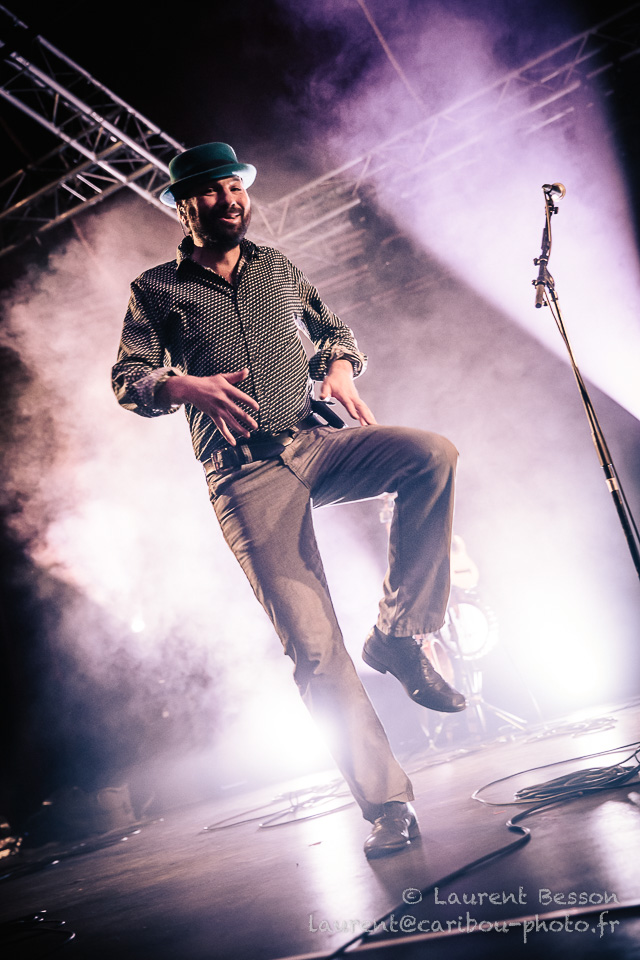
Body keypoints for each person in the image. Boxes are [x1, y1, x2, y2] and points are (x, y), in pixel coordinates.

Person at [112, 142, 466, 859]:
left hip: (312, 440)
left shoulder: (277, 266)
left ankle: (398, 636)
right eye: (211, 191)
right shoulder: (156, 289)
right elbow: (129, 377)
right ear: (183, 206)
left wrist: (337, 367)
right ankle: (387, 804)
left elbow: (333, 329)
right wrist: (185, 385)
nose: (229, 200)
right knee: (314, 647)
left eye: (235, 187)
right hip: (244, 475)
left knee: (432, 455)